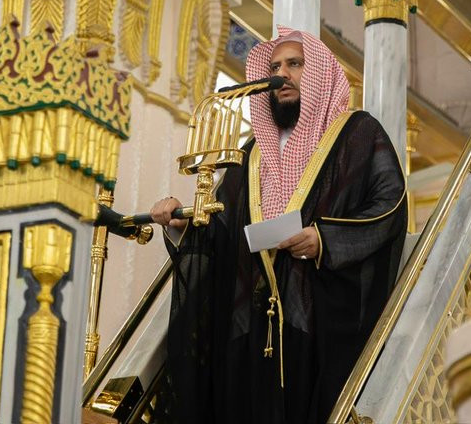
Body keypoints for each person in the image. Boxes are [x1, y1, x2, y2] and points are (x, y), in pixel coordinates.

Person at [150, 26, 407, 424]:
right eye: (274, 67)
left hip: (314, 323)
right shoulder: (252, 153)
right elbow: (223, 229)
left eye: (294, 64)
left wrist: (325, 240)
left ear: (318, 71)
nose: (281, 75)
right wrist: (182, 224)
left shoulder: (357, 133)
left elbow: (389, 204)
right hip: (247, 327)